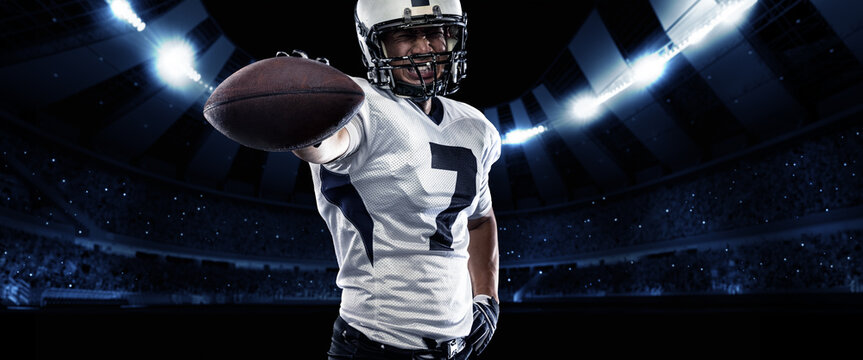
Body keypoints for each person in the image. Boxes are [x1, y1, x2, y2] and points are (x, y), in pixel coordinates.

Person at [291, 1, 501, 359]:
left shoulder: (476, 127)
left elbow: (480, 220)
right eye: (404, 35)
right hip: (373, 347)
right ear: (374, 45)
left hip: (460, 348)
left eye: (435, 32)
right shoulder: (358, 105)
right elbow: (325, 144)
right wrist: (307, 117)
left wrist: (488, 297)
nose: (424, 48)